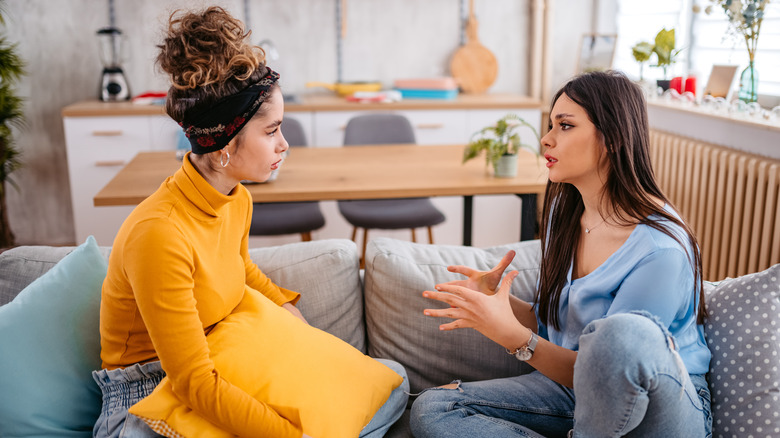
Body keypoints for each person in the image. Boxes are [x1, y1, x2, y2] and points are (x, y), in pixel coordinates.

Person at [91, 7, 407, 438]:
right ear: (224, 146)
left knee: (389, 378)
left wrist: (288, 311)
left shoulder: (233, 197)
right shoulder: (159, 234)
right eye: (272, 130)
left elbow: (239, 268)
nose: (284, 144)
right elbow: (193, 383)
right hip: (147, 394)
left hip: (222, 353)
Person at [410, 70, 712, 438]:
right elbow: (557, 326)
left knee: (620, 336)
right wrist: (497, 305)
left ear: (612, 138)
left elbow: (611, 370)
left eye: (565, 126)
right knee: (435, 407)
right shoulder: (565, 214)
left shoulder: (661, 249)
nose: (546, 139)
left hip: (658, 407)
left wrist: (514, 338)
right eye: (551, 125)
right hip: (571, 395)